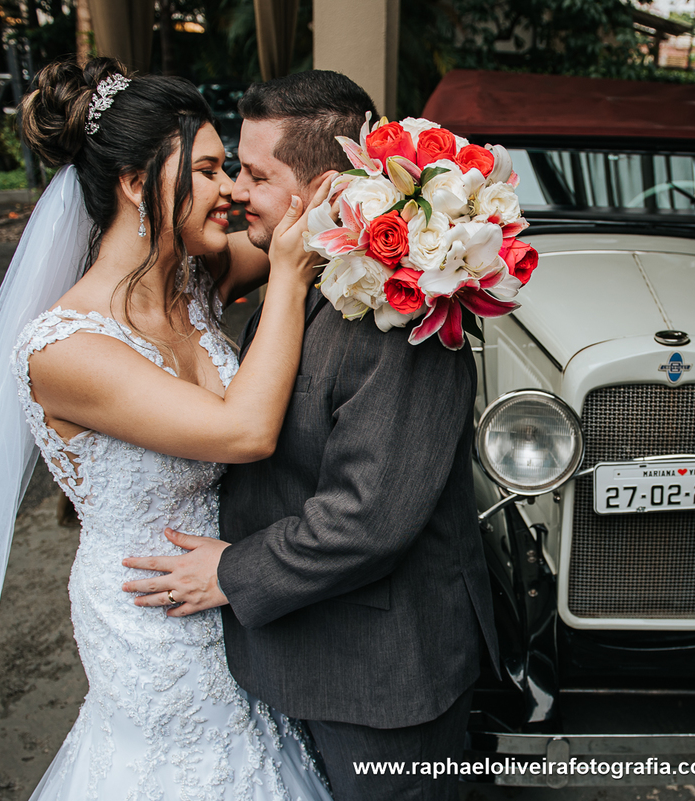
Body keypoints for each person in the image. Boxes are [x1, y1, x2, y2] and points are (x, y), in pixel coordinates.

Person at [119, 71, 501, 800]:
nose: (234, 189)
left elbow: (368, 518)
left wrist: (232, 572)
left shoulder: (403, 312)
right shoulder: (299, 272)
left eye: (255, 174)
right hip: (307, 652)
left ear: (324, 189)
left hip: (383, 680)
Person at [1, 57, 337, 798]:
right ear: (132, 183)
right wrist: (287, 277)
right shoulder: (65, 350)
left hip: (230, 591)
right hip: (148, 616)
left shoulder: (199, 279)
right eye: (212, 170)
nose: (231, 191)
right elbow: (244, 431)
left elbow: (309, 223)